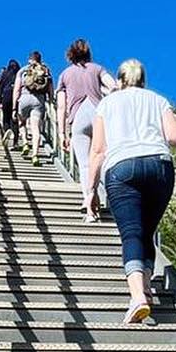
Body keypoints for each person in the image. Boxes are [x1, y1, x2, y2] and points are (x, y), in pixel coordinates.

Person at [86, 59, 176, 324]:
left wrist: (90, 191)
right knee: (147, 233)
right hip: (159, 166)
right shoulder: (158, 100)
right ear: (143, 80)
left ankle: (138, 297)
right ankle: (148, 290)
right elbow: (175, 137)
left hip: (122, 168)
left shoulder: (107, 104)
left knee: (131, 232)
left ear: (119, 81)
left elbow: (97, 150)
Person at [56, 38, 113, 221]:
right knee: (101, 160)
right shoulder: (97, 69)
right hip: (98, 114)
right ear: (88, 53)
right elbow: (113, 86)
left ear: (70, 55)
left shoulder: (65, 74)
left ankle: (88, 201)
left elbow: (61, 107)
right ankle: (104, 198)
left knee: (85, 164)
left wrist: (62, 133)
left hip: (77, 118)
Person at [12, 50, 53, 165]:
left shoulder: (22, 71)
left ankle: (25, 142)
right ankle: (35, 155)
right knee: (35, 128)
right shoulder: (45, 71)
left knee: (22, 123)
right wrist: (49, 101)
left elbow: (16, 90)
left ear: (29, 59)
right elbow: (50, 89)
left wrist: (14, 107)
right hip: (39, 101)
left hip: (24, 99)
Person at [0, 58, 19, 146]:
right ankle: (15, 141)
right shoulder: (19, 74)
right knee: (14, 118)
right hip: (16, 97)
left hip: (6, 96)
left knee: (6, 116)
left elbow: (0, 86)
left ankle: (7, 129)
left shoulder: (5, 74)